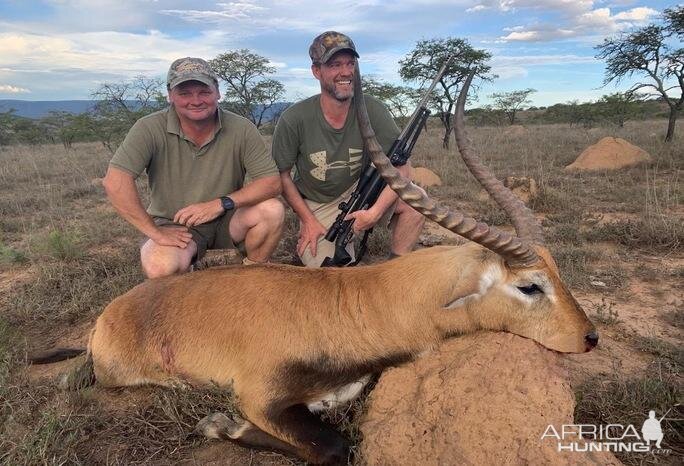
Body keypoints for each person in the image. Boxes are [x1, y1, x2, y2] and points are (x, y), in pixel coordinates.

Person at [103, 57, 284, 278]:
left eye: (204, 91)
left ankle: (253, 275)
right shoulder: (148, 128)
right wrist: (155, 232)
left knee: (272, 210)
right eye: (184, 93)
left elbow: (272, 183)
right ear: (170, 95)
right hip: (175, 224)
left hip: (227, 217)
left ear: (217, 92)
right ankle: (182, 289)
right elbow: (115, 182)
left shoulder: (241, 127)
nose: (195, 100)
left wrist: (220, 203)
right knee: (161, 267)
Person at [272, 31, 424, 267]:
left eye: (350, 63)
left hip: (360, 188)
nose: (345, 72)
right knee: (330, 273)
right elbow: (283, 176)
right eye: (334, 65)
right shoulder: (294, 118)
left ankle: (395, 268)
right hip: (318, 201)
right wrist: (307, 219)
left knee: (416, 199)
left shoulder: (373, 109)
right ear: (316, 71)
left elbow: (402, 168)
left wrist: (374, 214)